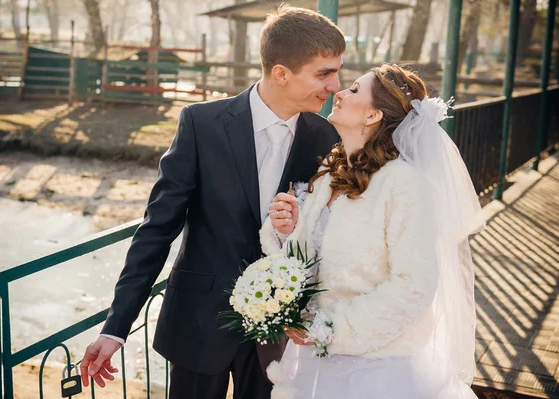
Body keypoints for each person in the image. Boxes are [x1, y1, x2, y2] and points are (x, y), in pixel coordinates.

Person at [80, 5, 344, 399]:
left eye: (337, 72)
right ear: (281, 73)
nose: (335, 85)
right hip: (198, 327)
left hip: (281, 339)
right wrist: (116, 327)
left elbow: (329, 235)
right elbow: (156, 230)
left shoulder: (326, 137)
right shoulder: (200, 124)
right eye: (324, 73)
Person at [262, 63, 486, 398]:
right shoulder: (329, 172)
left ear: (372, 116)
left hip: (377, 368)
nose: (339, 92)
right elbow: (314, 259)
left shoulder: (404, 184)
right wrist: (287, 231)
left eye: (353, 90)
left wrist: (330, 328)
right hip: (313, 358)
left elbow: (414, 286)